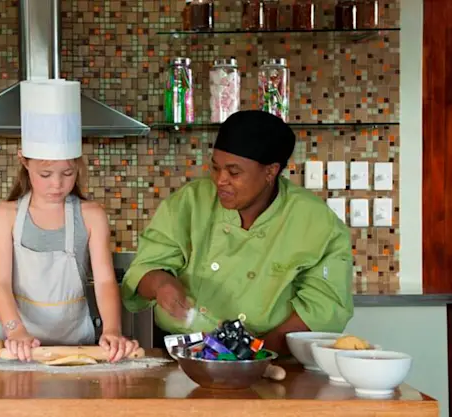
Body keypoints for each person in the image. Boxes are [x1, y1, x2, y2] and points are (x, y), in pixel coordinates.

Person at [121, 110, 354, 354]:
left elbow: (324, 307)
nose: (220, 180)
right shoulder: (189, 202)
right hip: (185, 356)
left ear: (270, 171)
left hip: (275, 357)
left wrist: (254, 356)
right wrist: (161, 285)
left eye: (234, 172)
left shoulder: (316, 222)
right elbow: (144, 268)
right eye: (215, 168)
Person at [0, 79, 139, 362]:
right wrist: (16, 331)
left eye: (68, 173)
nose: (57, 184)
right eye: (45, 175)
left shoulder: (91, 215)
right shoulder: (6, 215)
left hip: (77, 348)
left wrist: (112, 329)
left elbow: (106, 281)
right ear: (24, 161)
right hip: (17, 348)